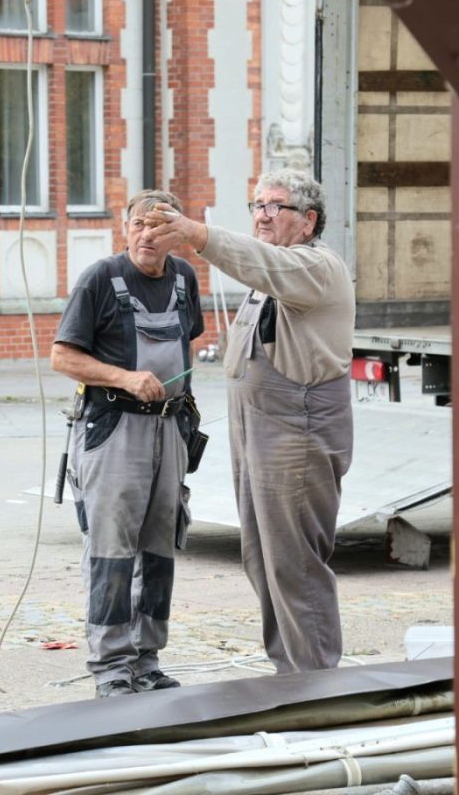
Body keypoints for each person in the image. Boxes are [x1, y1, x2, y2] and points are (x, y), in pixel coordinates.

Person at [144, 169, 355, 674]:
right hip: (255, 432)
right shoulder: (271, 277)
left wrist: (197, 234)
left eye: (274, 207)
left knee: (295, 562)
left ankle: (318, 680)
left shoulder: (315, 267)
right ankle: (289, 671)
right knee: (261, 557)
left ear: (308, 221)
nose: (261, 215)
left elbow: (260, 262)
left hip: (295, 434)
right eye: (257, 205)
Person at [51, 189, 205, 697]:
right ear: (125, 227)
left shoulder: (184, 279)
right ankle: (112, 667)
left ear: (175, 233)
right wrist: (124, 377)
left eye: (160, 226)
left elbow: (190, 338)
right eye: (139, 223)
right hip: (114, 429)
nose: (147, 235)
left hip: (170, 429)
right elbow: (63, 357)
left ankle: (147, 659)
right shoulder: (101, 278)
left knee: (160, 548)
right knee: (112, 551)